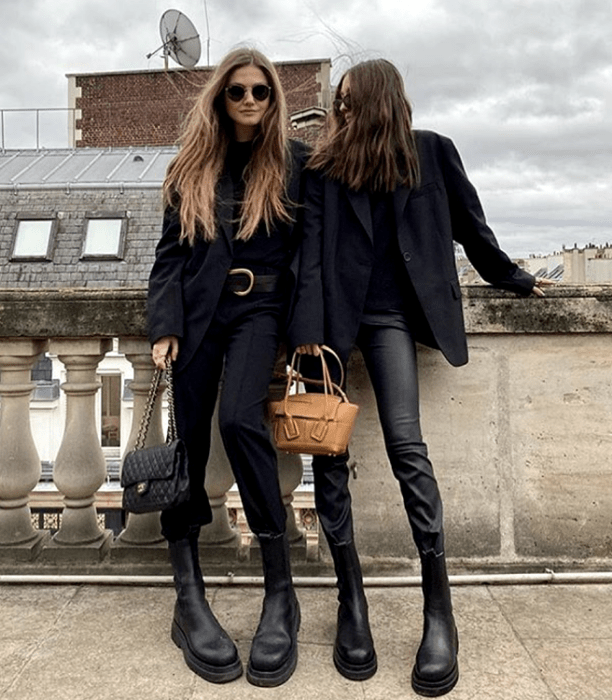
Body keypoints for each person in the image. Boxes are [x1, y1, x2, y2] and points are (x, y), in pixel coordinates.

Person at [301, 58, 553, 696]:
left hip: (389, 320)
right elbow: (308, 259)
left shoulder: (431, 154)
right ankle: (350, 602)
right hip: (332, 323)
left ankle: (438, 609)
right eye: (340, 103)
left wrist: (516, 278)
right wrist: (305, 338)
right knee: (328, 458)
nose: (344, 112)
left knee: (406, 447)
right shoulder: (323, 169)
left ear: (384, 101)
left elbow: (473, 231)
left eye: (354, 102)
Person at [147, 48, 321, 688]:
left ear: (274, 99)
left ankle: (282, 592)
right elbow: (168, 257)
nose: (250, 101)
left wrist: (304, 331)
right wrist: (163, 324)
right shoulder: (190, 166)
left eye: (261, 92)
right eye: (238, 91)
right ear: (220, 97)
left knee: (242, 420)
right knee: (188, 442)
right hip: (195, 317)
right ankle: (187, 594)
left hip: (261, 315)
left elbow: (316, 252)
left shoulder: (298, 164)